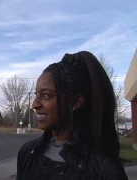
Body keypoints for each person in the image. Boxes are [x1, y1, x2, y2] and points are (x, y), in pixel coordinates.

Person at [16, 51, 128, 179]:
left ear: (75, 101)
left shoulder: (105, 170)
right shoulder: (28, 153)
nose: (35, 104)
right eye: (36, 95)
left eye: (46, 95)